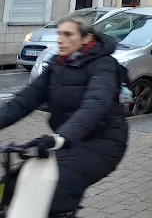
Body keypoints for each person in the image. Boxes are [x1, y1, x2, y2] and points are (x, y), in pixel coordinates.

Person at [0, 15, 129, 216]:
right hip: (68, 142)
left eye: (68, 34)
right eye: (59, 34)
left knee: (57, 190)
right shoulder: (57, 65)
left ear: (86, 39)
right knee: (17, 181)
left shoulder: (104, 65)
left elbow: (95, 103)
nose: (60, 39)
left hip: (103, 143)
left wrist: (62, 136)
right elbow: (25, 100)